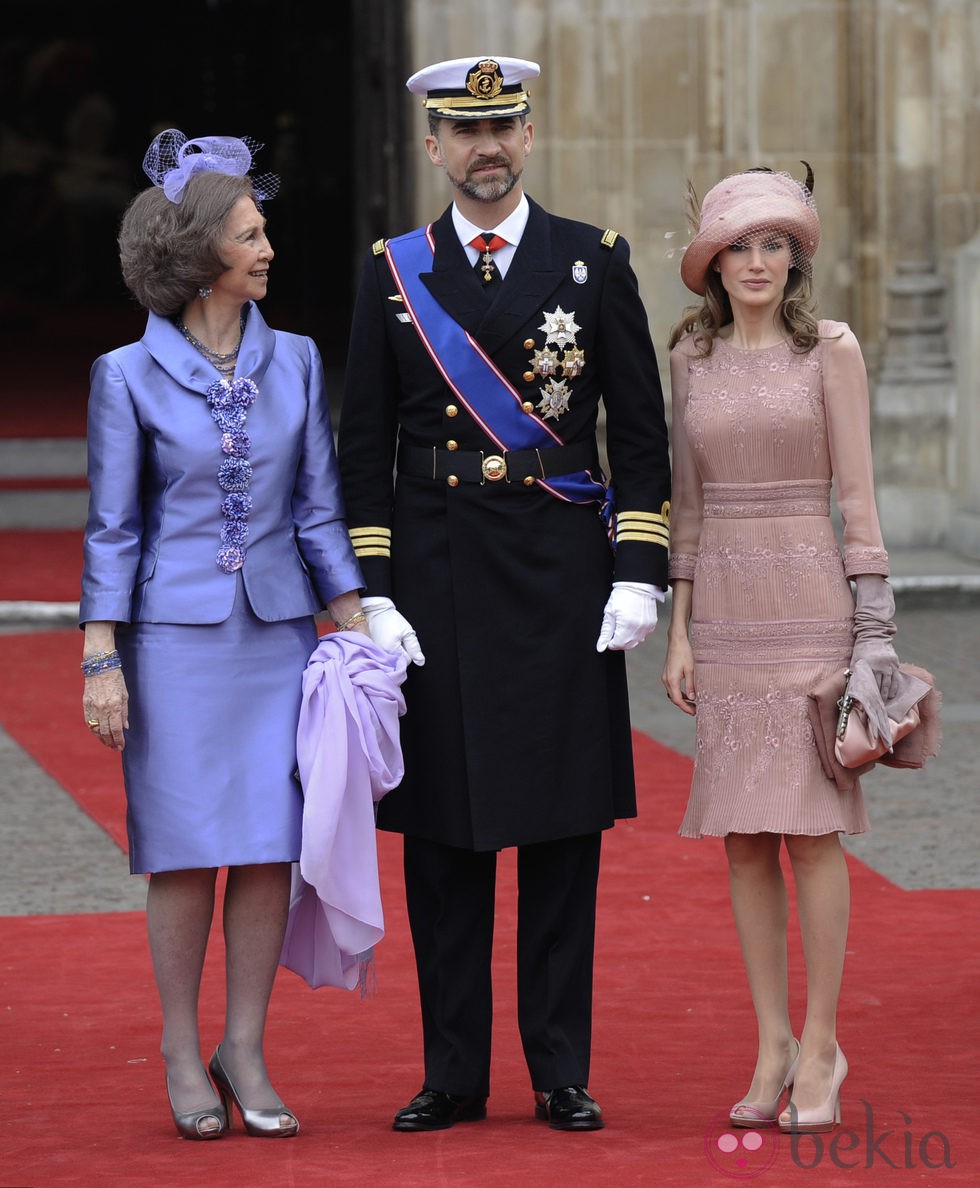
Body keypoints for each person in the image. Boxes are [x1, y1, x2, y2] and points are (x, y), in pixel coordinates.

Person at [337, 56, 671, 1132]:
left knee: (562, 835)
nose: (485, 146)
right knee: (441, 839)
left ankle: (558, 1072)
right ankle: (452, 1073)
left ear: (527, 138)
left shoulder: (592, 262)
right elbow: (361, 449)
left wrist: (636, 569)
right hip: (432, 578)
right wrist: (372, 589)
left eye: (503, 126)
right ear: (432, 147)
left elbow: (641, 434)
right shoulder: (393, 270)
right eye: (462, 130)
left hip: (560, 575)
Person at [79, 128, 368, 1141]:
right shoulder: (126, 375)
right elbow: (114, 528)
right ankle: (176, 1044)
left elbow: (319, 511)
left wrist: (357, 623)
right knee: (183, 851)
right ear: (202, 255)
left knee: (264, 850)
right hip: (173, 644)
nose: (268, 248)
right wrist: (100, 656)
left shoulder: (294, 359)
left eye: (265, 231)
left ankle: (243, 1046)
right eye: (251, 234)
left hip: (278, 639)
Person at [661, 165, 904, 1134]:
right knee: (743, 836)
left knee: (807, 832)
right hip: (723, 608)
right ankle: (765, 1042)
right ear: (710, 262)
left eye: (773, 245)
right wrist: (677, 632)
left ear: (793, 260)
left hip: (810, 606)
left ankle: (819, 1043)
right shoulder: (688, 354)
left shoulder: (829, 350)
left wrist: (872, 634)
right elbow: (686, 503)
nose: (756, 262)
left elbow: (858, 498)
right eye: (738, 246)